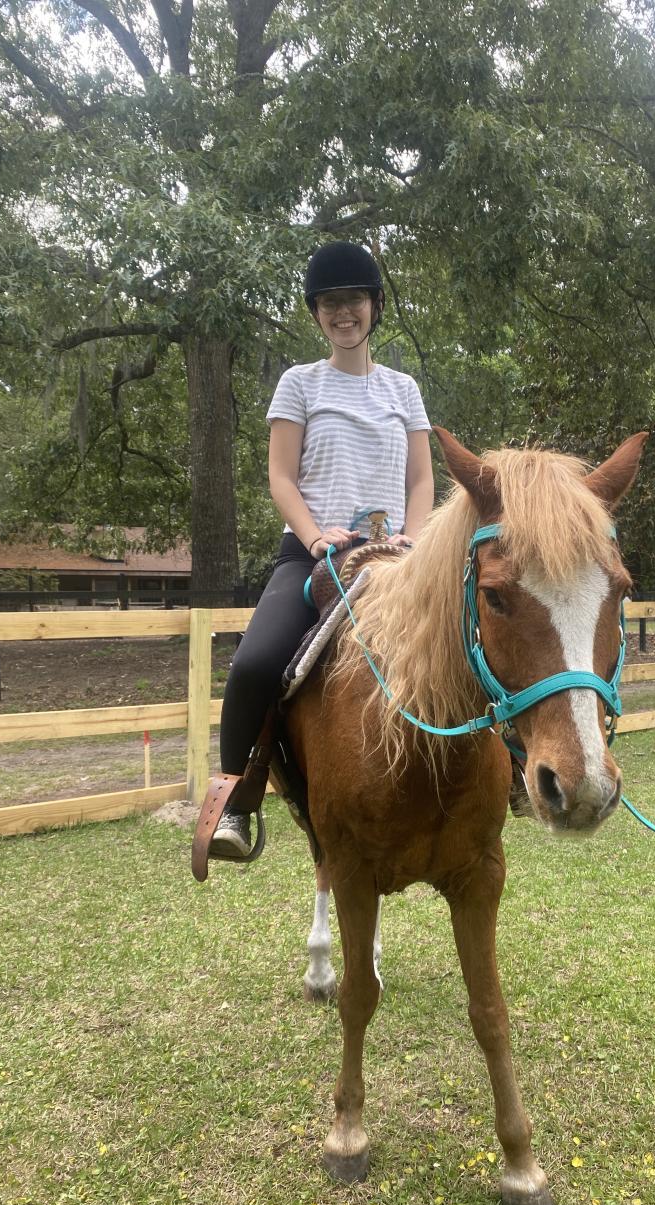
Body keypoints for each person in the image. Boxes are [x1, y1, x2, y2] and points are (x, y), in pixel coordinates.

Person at [210, 241, 435, 858]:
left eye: (354, 300)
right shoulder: (299, 383)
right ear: (316, 312)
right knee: (254, 664)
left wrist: (416, 540)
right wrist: (314, 536)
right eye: (330, 302)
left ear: (374, 306)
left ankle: (516, 769)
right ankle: (235, 804)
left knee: (473, 635)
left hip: (395, 559)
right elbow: (281, 477)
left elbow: (422, 479)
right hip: (312, 556)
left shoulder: (404, 389)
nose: (343, 313)